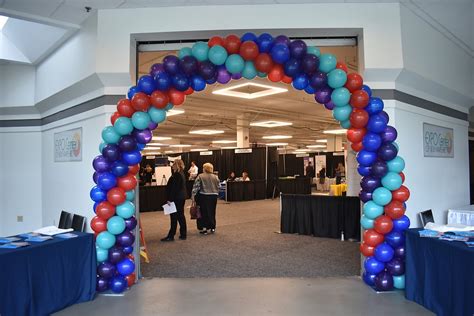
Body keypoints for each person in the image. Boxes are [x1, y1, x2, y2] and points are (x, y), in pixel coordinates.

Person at [161, 159, 187, 242]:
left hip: (176, 198)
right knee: (180, 216)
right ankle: (183, 234)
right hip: (180, 198)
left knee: (174, 217)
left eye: (173, 164)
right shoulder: (181, 173)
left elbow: (174, 188)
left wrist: (169, 199)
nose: (172, 166)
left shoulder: (177, 175)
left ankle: (171, 235)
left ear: (177, 165)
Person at [191, 163, 220, 235]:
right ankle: (212, 227)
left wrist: (193, 196)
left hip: (204, 196)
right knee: (212, 212)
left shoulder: (200, 176)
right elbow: (219, 186)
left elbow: (195, 187)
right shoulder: (215, 177)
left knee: (204, 212)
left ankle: (205, 228)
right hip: (214, 197)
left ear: (205, 168)